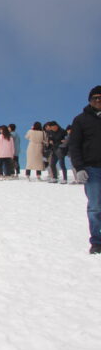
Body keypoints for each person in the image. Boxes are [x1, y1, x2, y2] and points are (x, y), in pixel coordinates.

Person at [69, 85, 101, 253]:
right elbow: (74, 145)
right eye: (95, 98)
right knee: (95, 206)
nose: (98, 100)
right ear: (90, 100)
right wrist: (79, 167)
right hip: (92, 168)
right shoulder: (81, 120)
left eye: (100, 98)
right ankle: (97, 241)